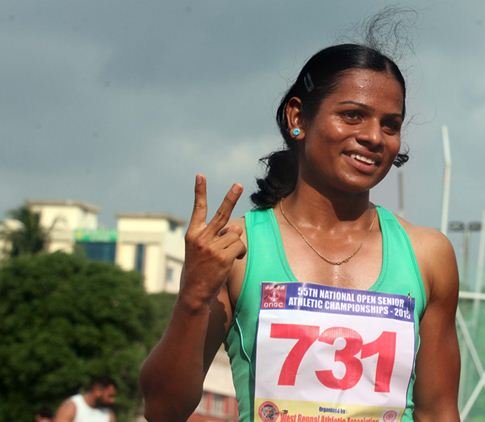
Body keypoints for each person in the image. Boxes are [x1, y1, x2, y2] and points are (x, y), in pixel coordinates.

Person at [140, 42, 460, 422]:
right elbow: (163, 411)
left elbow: (438, 410)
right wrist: (193, 297)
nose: (374, 137)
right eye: (353, 115)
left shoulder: (427, 255)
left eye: (389, 124)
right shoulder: (237, 250)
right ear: (298, 117)